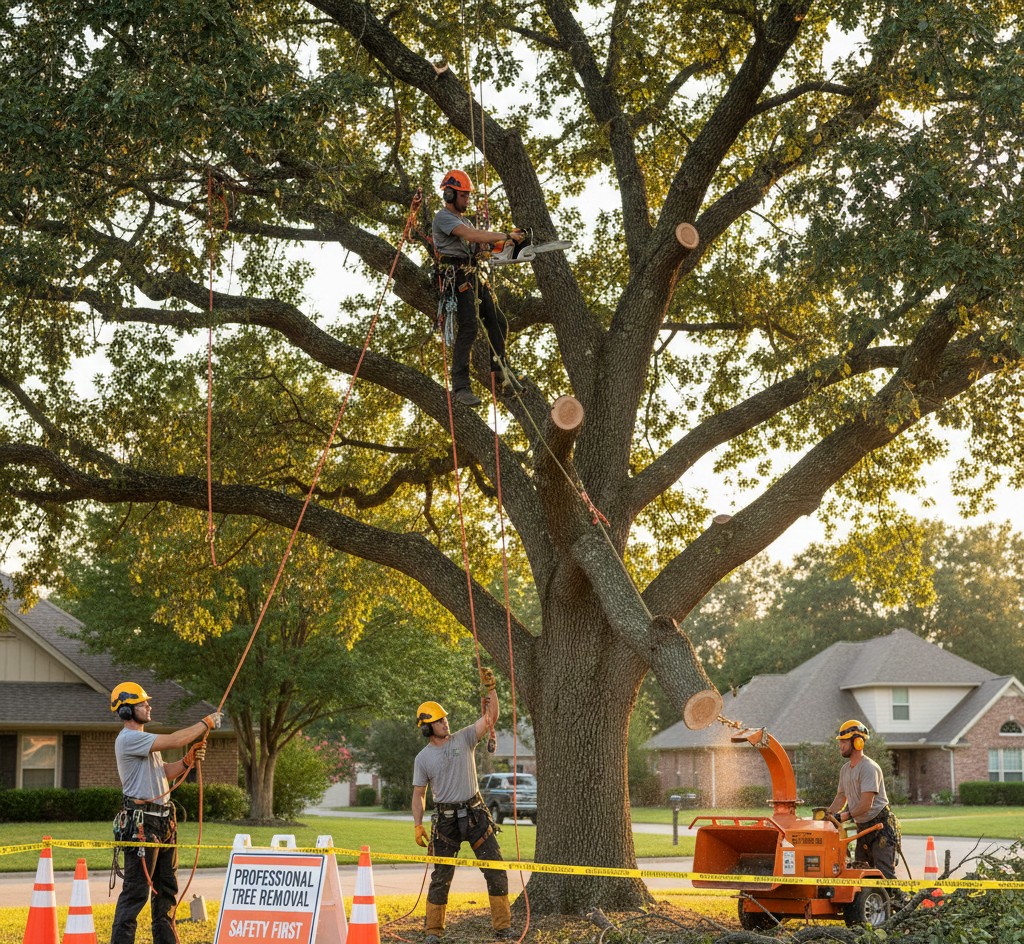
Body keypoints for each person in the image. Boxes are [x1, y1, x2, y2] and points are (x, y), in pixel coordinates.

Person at [109, 681, 222, 944]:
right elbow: (174, 739)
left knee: (166, 891)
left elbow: (165, 773)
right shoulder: (129, 739)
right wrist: (205, 723)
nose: (149, 705)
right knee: (136, 892)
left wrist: (186, 761)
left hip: (164, 822)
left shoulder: (145, 741)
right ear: (126, 710)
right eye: (142, 703)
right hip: (142, 824)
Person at [412, 668, 513, 942]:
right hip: (445, 822)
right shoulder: (422, 759)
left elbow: (491, 717)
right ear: (426, 727)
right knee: (441, 877)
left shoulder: (464, 738)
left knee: (495, 869)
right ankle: (433, 931)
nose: (445, 723)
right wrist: (418, 824)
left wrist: (491, 688)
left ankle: (503, 927)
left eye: (445, 719)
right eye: (439, 721)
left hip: (475, 815)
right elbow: (419, 793)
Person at [432, 169, 524, 406]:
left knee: (498, 320)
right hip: (456, 277)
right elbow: (471, 236)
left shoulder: (466, 220)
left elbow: (479, 246)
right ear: (451, 195)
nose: (467, 200)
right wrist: (503, 235)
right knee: (469, 327)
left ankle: (500, 371)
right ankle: (461, 387)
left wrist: (507, 243)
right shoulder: (443, 218)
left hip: (474, 275)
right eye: (464, 196)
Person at [827, 719, 902, 883]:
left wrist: (843, 816)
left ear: (858, 742)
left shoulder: (869, 767)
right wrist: (827, 816)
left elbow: (866, 804)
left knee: (884, 874)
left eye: (845, 742)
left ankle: (896, 906)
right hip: (863, 829)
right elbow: (841, 797)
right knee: (861, 872)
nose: (841, 745)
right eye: (841, 742)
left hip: (881, 827)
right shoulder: (845, 770)